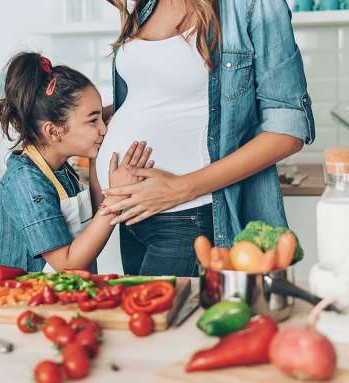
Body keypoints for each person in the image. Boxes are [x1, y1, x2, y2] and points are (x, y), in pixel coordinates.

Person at [96, 0, 315, 276]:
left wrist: (180, 188)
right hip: (131, 216)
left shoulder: (253, 5)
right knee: (144, 318)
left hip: (189, 215)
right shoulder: (147, 4)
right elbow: (160, 97)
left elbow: (288, 131)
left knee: (168, 318)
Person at [0, 51, 153, 272]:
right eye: (93, 120)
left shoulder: (61, 169)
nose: (103, 128)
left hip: (60, 298)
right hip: (27, 301)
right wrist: (116, 201)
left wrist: (99, 160)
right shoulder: (26, 182)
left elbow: (95, 216)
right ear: (54, 131)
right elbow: (67, 263)